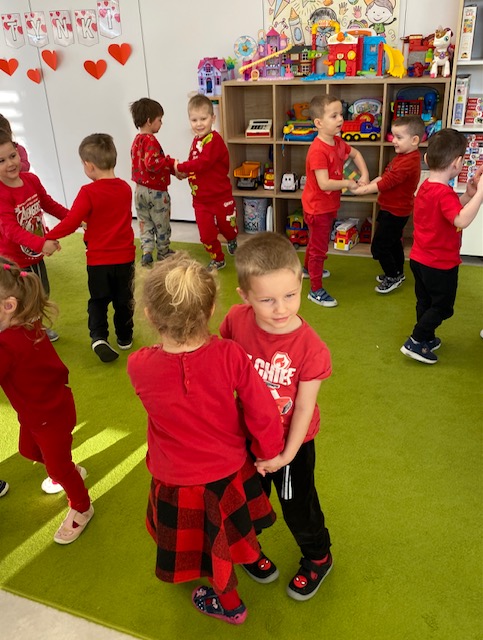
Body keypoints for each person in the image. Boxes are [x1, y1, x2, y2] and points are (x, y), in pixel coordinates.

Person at [127, 252, 284, 625]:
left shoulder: (138, 365)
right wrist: (269, 453)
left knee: (207, 545)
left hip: (176, 481)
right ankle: (249, 566)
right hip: (229, 473)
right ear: (211, 309)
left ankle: (231, 605)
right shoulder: (231, 355)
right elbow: (263, 413)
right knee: (228, 532)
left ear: (149, 315)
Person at [220, 232, 333, 602]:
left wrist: (285, 456)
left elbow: (304, 408)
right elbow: (223, 364)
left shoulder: (312, 349)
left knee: (298, 507)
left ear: (301, 284)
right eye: (267, 300)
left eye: (290, 295)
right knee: (247, 500)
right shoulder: (236, 320)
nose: (281, 308)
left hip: (291, 445)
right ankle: (249, 549)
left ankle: (318, 556)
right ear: (245, 296)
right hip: (246, 437)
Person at [0, 256, 93, 543]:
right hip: (41, 410)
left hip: (48, 415)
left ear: (8, 306)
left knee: (56, 466)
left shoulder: (6, 344)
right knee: (28, 451)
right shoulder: (25, 321)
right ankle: (68, 469)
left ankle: (82, 507)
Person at [45, 133, 135, 363]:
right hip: (125, 259)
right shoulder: (125, 188)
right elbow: (111, 215)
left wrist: (49, 237)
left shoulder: (88, 192)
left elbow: (71, 222)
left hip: (99, 261)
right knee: (124, 299)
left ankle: (99, 337)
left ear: (89, 165)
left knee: (98, 300)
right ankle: (125, 337)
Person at [400, 129, 483, 364]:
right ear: (457, 163)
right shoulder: (444, 192)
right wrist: (480, 195)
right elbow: (460, 220)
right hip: (440, 264)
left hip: (419, 260)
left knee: (425, 302)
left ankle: (426, 337)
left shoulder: (426, 187)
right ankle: (416, 340)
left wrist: (469, 195)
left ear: (427, 159)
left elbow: (449, 212)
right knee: (444, 307)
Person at [302, 94, 369, 307]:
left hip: (328, 205)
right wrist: (348, 183)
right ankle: (315, 290)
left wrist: (365, 175)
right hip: (317, 208)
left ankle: (307, 270)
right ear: (319, 123)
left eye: (341, 114)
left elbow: (355, 154)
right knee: (319, 248)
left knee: (315, 242)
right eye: (334, 116)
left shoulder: (338, 142)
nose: (340, 119)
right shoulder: (318, 150)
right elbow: (324, 183)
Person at [0, 130, 63, 342]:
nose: (10, 163)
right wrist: (41, 243)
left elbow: (48, 204)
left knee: (41, 292)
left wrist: (74, 217)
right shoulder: (2, 193)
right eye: (1, 161)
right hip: (14, 261)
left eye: (12, 156)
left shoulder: (31, 180)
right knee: (21, 298)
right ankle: (28, 330)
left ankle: (35, 325)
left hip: (34, 254)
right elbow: (10, 230)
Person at [352, 115, 426, 294]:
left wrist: (361, 190)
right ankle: (398, 272)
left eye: (399, 137)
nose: (393, 141)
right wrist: (367, 184)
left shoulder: (408, 162)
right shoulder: (402, 156)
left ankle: (392, 276)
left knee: (379, 247)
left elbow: (386, 183)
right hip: (390, 208)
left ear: (414, 140)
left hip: (396, 212)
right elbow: (385, 177)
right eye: (393, 136)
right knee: (393, 243)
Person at [175, 94, 238, 271]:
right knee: (206, 234)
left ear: (213, 118)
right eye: (194, 120)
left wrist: (180, 166)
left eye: (203, 119)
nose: (199, 124)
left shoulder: (214, 140)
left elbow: (203, 163)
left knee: (228, 227)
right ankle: (217, 258)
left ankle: (232, 238)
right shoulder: (196, 141)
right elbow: (195, 165)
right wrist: (183, 173)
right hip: (201, 200)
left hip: (221, 196)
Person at [129, 97, 176, 266]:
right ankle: (163, 252)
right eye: (159, 120)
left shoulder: (136, 141)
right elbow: (152, 163)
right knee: (161, 223)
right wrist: (169, 162)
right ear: (149, 121)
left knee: (145, 222)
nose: (161, 124)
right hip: (156, 192)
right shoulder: (151, 140)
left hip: (139, 191)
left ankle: (147, 251)